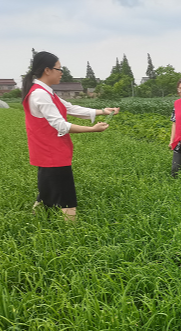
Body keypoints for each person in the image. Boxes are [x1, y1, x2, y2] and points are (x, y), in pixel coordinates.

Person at [22, 51, 119, 221]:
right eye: (59, 69)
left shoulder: (45, 92)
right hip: (52, 151)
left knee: (47, 189)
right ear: (47, 70)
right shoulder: (40, 94)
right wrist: (92, 129)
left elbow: (70, 108)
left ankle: (37, 219)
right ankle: (72, 232)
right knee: (66, 196)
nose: (61, 73)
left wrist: (103, 111)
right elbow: (60, 125)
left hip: (47, 151)